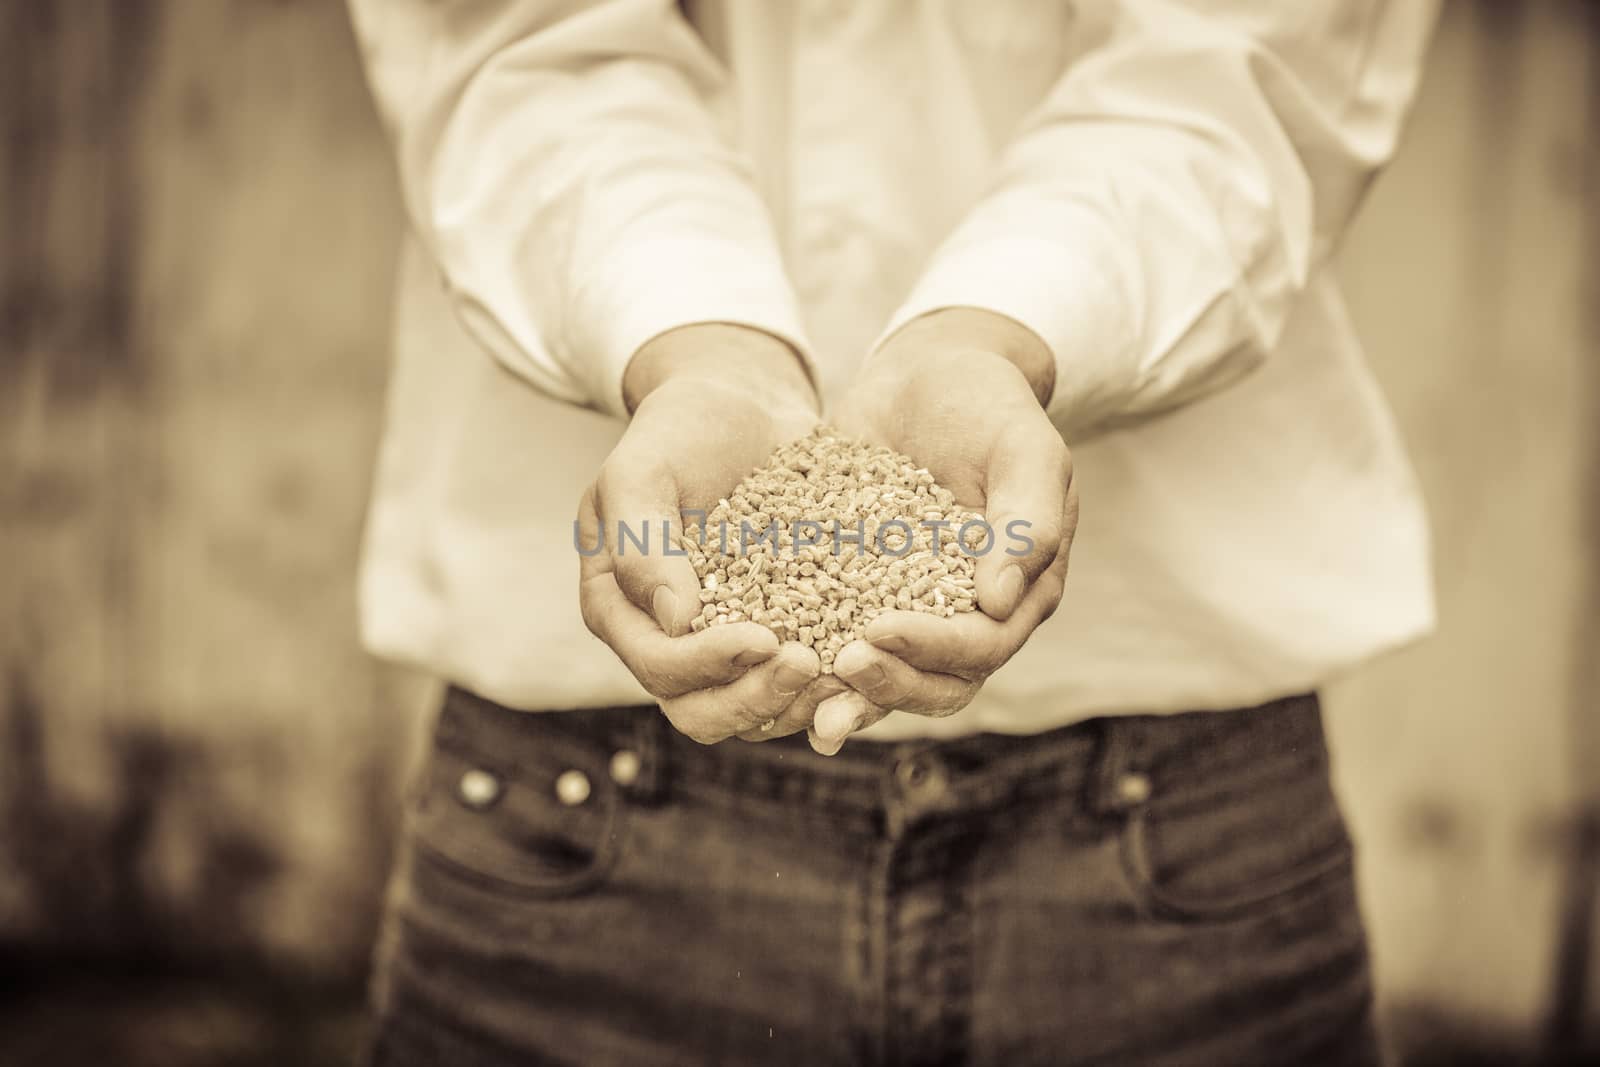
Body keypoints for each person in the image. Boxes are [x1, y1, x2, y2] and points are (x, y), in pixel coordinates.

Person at [347, 0, 1438, 1063]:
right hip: (582, 800)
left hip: (1178, 806)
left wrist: (1004, 329)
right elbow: (514, 48)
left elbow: (1240, 62)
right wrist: (689, 337)